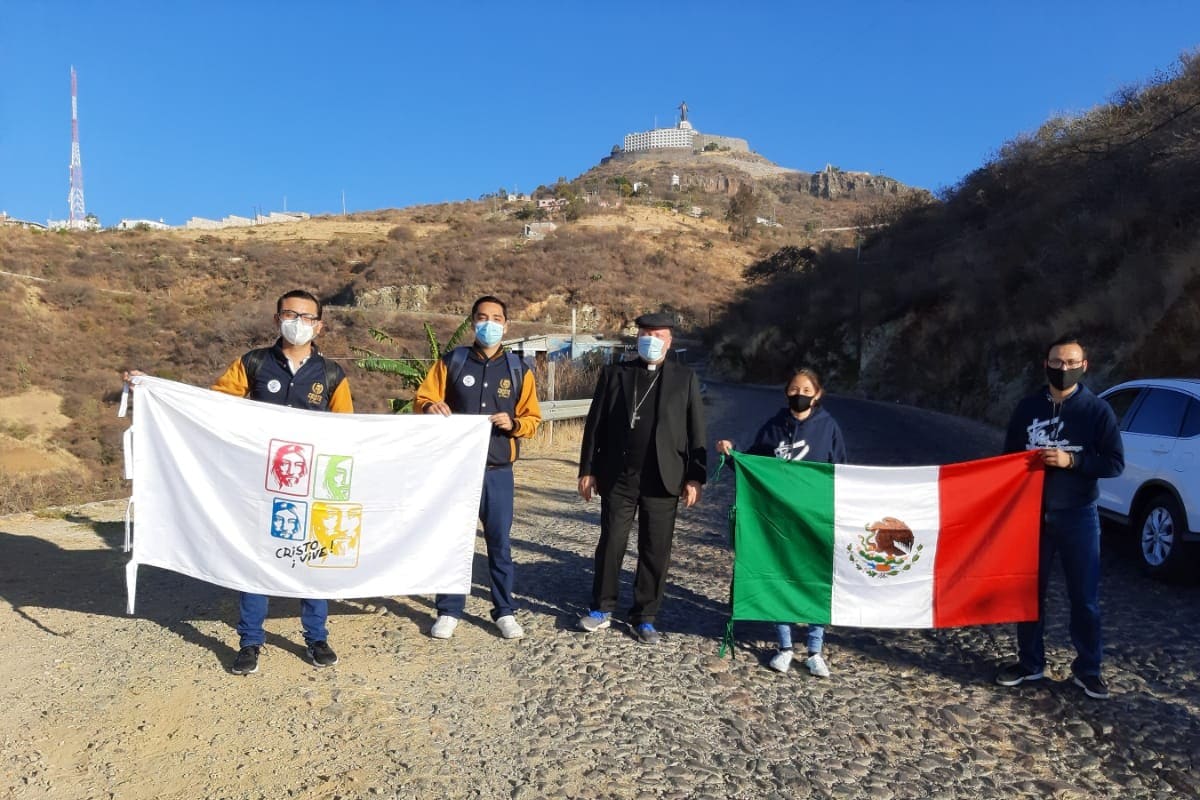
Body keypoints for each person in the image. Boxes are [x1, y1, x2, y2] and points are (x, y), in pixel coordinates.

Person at [211, 289, 353, 675]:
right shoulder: (253, 364)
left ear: (319, 325)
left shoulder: (331, 375)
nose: (298, 323)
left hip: (310, 487)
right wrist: (152, 389)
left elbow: (348, 432)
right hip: (259, 483)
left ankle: (315, 636)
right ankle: (250, 641)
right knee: (254, 560)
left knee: (311, 557)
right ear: (277, 319)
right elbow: (213, 406)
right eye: (291, 315)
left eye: (307, 317)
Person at [995, 335, 1124, 699]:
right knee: (1028, 593)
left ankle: (1088, 669)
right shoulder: (1026, 408)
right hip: (1031, 516)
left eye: (1070, 363)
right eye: (1056, 362)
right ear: (1045, 365)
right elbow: (1006, 460)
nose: (1062, 369)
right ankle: (1030, 662)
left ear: (1084, 366)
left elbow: (1114, 463)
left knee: (1084, 596)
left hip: (1078, 515)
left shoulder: (1097, 411)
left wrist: (1074, 461)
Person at [414, 295, 542, 640]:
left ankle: (504, 611)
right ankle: (449, 610)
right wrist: (430, 408)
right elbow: (423, 399)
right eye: (482, 317)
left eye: (497, 318)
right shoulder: (452, 361)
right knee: (453, 541)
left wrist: (513, 423)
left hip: (498, 470)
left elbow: (532, 418)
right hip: (455, 471)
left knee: (499, 543)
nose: (489, 324)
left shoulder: (519, 370)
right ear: (472, 322)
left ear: (506, 325)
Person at [577, 312, 707, 644]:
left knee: (655, 549)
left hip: (664, 477)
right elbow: (595, 425)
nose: (652, 340)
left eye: (659, 334)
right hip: (619, 475)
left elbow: (697, 433)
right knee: (611, 542)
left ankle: (644, 615)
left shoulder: (685, 378)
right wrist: (587, 470)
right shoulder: (615, 374)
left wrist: (695, 477)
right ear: (637, 338)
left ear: (670, 340)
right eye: (646, 333)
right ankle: (601, 608)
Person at [715, 367, 845, 677]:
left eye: (806, 391)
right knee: (780, 577)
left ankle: (815, 649)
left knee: (815, 579)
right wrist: (732, 455)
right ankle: (784, 646)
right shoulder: (774, 426)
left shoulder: (829, 428)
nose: (799, 396)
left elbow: (841, 472)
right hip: (778, 520)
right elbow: (754, 466)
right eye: (793, 390)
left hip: (814, 520)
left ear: (818, 395)